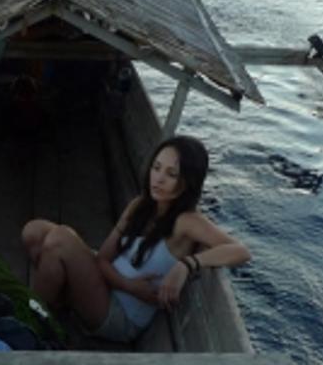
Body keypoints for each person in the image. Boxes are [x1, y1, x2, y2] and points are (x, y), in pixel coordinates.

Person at [20, 135, 250, 344]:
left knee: (60, 238)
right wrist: (128, 286)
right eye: (156, 168)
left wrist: (187, 265)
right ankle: (55, 305)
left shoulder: (187, 221)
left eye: (171, 174)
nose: (158, 179)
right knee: (34, 231)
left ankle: (33, 327)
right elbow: (102, 260)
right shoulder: (140, 205)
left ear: (188, 181)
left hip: (119, 315)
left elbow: (240, 251)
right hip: (110, 286)